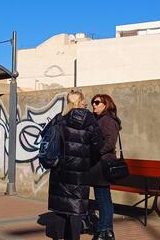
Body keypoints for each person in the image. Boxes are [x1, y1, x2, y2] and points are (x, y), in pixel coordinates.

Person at [47, 89, 103, 240]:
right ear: (80, 101)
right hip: (80, 170)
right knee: (76, 208)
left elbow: (48, 139)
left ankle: (59, 237)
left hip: (59, 169)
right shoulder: (89, 119)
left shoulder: (59, 118)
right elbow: (99, 143)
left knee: (61, 207)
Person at [90, 94, 122, 240]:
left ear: (106, 104)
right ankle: (106, 231)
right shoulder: (100, 119)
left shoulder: (107, 120)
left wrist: (97, 152)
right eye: (93, 102)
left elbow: (110, 142)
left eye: (97, 102)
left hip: (104, 164)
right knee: (102, 198)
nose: (94, 105)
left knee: (103, 198)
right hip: (99, 164)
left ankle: (105, 230)